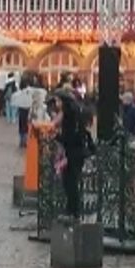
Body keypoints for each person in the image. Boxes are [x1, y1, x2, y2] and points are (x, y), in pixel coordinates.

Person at [55, 83, 93, 221]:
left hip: (74, 152)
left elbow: (70, 135)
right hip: (76, 151)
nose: (56, 103)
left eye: (58, 101)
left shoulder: (70, 115)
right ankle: (71, 210)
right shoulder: (76, 111)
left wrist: (58, 137)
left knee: (70, 182)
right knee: (69, 181)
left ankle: (73, 211)